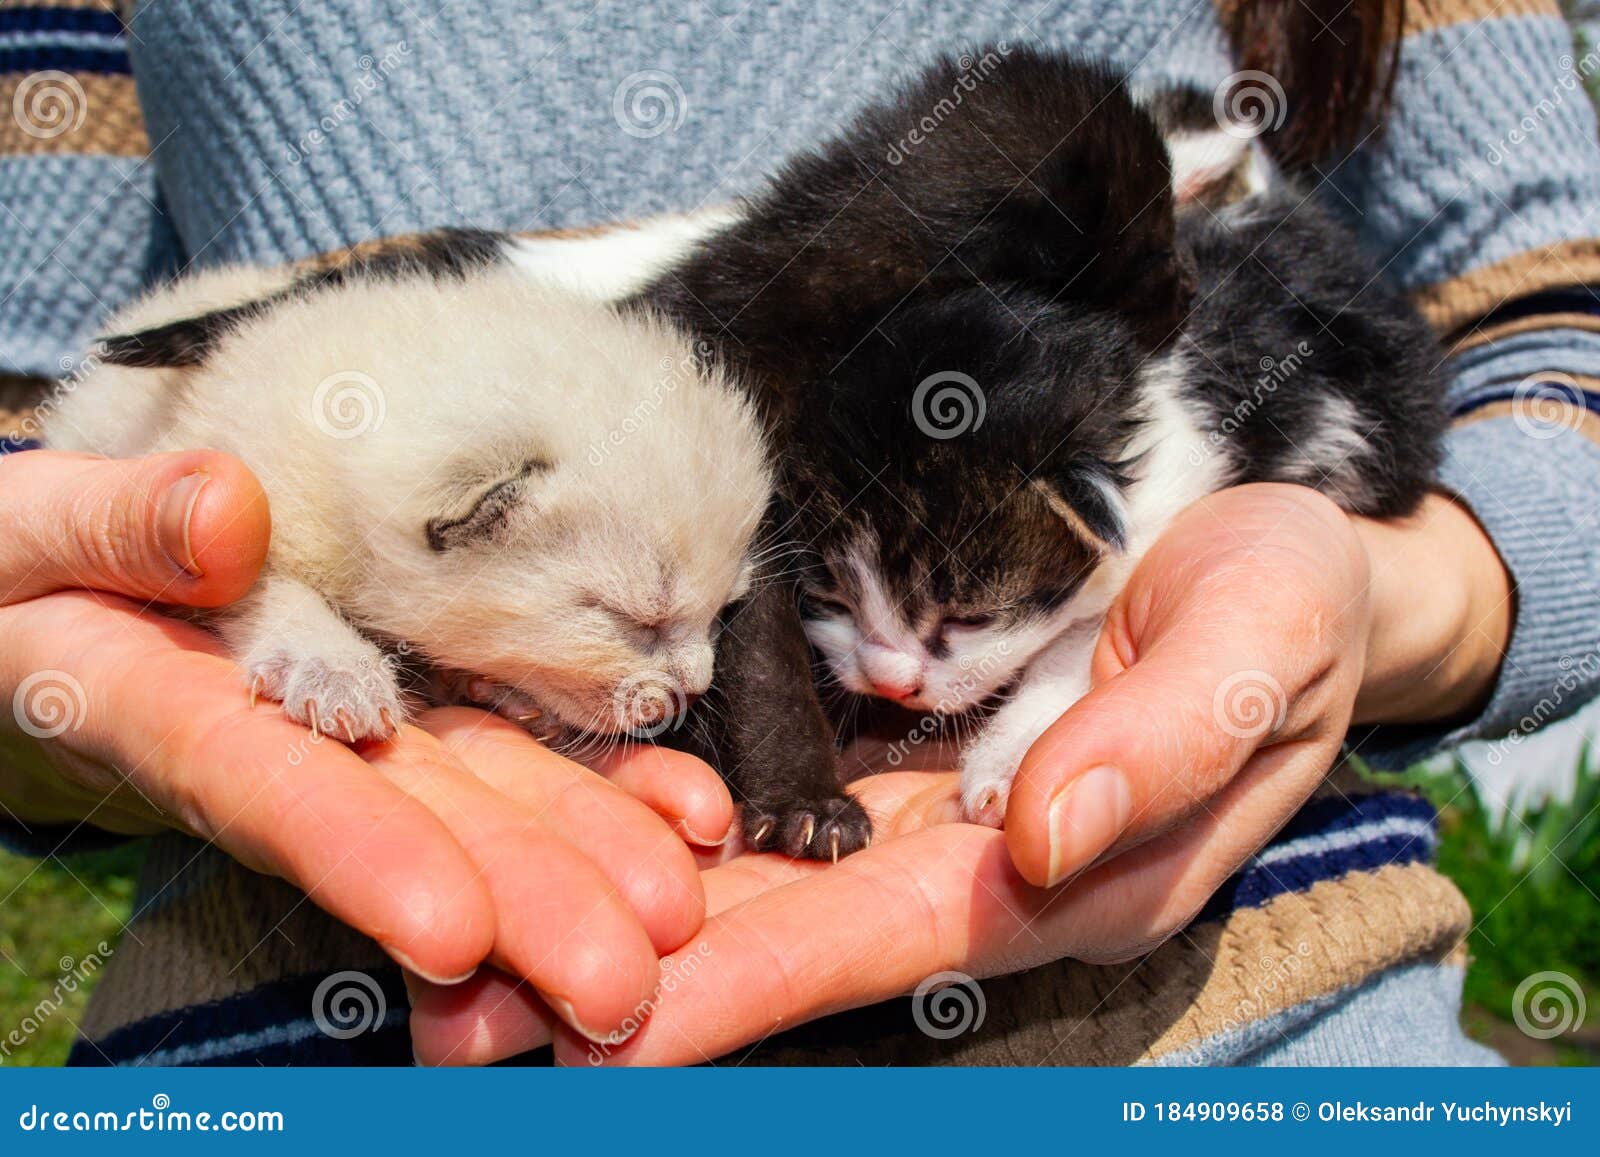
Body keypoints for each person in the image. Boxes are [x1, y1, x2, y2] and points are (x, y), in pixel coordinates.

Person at [0, 0, 1592, 1065]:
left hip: (1258, 1024)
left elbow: (1556, 322)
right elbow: (46, 425)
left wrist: (1368, 609)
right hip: (294, 1024)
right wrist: (71, 666)